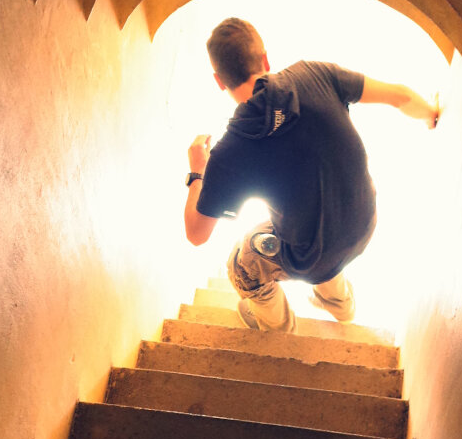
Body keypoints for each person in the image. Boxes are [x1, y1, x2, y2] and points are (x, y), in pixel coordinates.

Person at [183, 17, 439, 333]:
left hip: (312, 252)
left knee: (240, 265)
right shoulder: (315, 73)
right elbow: (401, 96)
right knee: (314, 216)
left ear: (219, 81)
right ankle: (341, 306)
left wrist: (197, 170)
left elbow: (197, 234)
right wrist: (432, 114)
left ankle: (277, 327)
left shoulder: (231, 151)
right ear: (264, 59)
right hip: (363, 223)